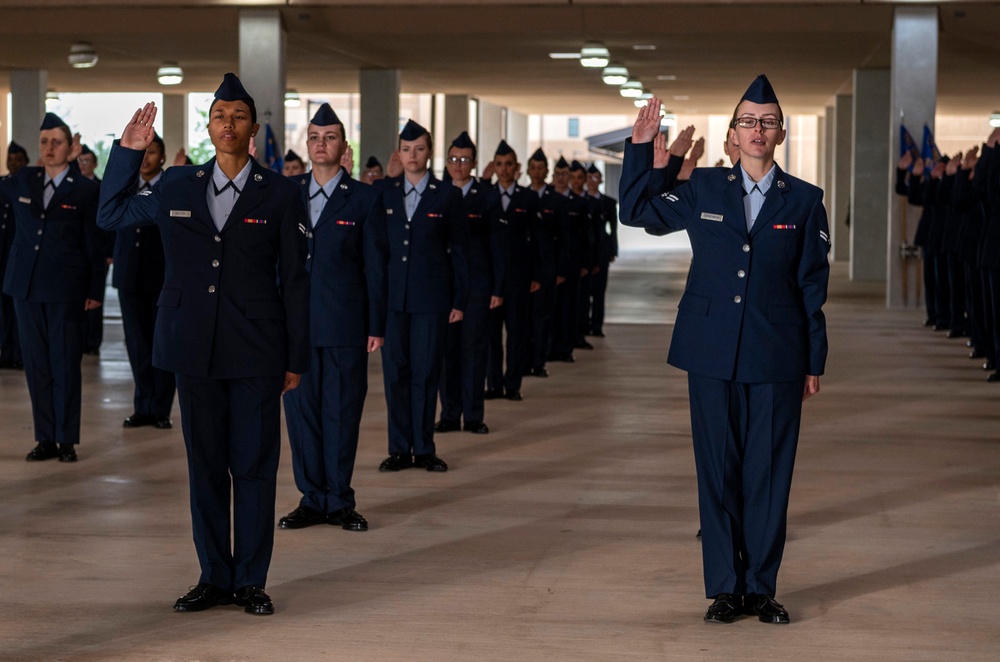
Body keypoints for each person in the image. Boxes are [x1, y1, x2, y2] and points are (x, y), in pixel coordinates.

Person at [619, 75, 830, 625]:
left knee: (769, 471)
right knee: (718, 470)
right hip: (710, 349)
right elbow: (636, 212)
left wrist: (814, 359)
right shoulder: (704, 188)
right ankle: (724, 588)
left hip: (777, 353)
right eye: (747, 121)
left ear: (780, 133)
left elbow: (812, 286)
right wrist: (643, 151)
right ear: (732, 133)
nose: (756, 130)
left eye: (767, 121)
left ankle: (761, 587)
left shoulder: (806, 201)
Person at [98, 73, 310, 616]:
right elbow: (111, 214)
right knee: (207, 467)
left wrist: (295, 357)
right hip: (192, 346)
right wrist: (126, 153)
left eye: (238, 116)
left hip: (258, 350)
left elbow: (295, 280)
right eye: (219, 116)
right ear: (209, 126)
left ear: (253, 128)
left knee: (255, 466)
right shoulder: (175, 185)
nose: (228, 124)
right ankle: (215, 576)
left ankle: (251, 581)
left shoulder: (282, 193)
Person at [279, 103, 388, 532]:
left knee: (341, 412)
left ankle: (339, 499)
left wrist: (377, 325)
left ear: (344, 146)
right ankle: (311, 498)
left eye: (329, 137)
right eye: (313, 137)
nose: (320, 144)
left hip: (345, 325)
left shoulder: (364, 198)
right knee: (301, 414)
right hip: (295, 328)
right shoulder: (287, 193)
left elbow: (377, 267)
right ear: (307, 145)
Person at [1, 113, 105, 463]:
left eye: (56, 142)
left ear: (70, 146)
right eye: (44, 142)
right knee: (36, 365)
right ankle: (44, 437)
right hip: (25, 287)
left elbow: (94, 245)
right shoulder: (24, 180)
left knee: (64, 365)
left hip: (66, 289)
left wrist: (95, 289)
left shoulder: (86, 189)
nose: (48, 148)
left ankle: (66, 439)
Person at [374, 119, 469, 472]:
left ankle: (424, 447)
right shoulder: (383, 191)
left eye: (420, 149)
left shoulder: (448, 195)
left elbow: (460, 251)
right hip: (393, 301)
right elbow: (377, 252)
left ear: (430, 153)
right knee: (396, 373)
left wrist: (459, 300)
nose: (412, 155)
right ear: (398, 153)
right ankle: (400, 448)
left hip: (432, 301)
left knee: (426, 372)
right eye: (406, 149)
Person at [435, 131, 505, 435]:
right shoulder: (435, 193)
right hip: (442, 286)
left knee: (474, 351)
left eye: (464, 160)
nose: (458, 165)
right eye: (453, 159)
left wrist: (498, 288)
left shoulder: (487, 196)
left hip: (477, 286)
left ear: (474, 163)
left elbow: (498, 245)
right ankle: (450, 413)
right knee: (446, 352)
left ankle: (474, 415)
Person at [113, 132, 175, 429]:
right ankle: (143, 406)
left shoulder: (171, 187)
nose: (147, 157)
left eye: (153, 152)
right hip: (129, 277)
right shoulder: (125, 187)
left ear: (162, 158)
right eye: (144, 152)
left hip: (162, 278)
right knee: (137, 345)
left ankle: (161, 408)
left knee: (161, 344)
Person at [486, 140, 540, 400]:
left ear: (517, 167)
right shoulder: (486, 196)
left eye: (508, 164)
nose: (504, 169)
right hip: (492, 280)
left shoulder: (527, 197)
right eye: (499, 164)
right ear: (494, 167)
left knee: (517, 334)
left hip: (519, 278)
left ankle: (512, 385)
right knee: (492, 335)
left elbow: (538, 239)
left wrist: (537, 276)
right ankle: (494, 384)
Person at [525, 148, 564, 378]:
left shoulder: (555, 200)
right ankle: (523, 361)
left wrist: (560, 269)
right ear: (528, 170)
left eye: (541, 168)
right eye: (533, 167)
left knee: (542, 317)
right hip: (524, 267)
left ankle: (539, 361)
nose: (537, 172)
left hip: (548, 267)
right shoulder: (520, 196)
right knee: (523, 319)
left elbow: (563, 238)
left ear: (546, 171)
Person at [76, 145, 115, 355]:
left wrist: (110, 252)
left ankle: (93, 342)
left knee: (96, 294)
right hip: (79, 250)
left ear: (94, 163)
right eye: (80, 161)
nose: (83, 165)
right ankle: (80, 339)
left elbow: (111, 222)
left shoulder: (102, 187)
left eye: (87, 161)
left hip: (99, 250)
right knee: (79, 295)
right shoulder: (73, 186)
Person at [0, 141, 29, 369]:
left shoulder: (29, 186)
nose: (14, 163)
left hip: (19, 258)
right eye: (11, 159)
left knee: (19, 311)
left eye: (18, 159)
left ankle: (18, 353)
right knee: (2, 311)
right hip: (1, 257)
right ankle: (5, 352)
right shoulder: (2, 185)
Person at [584, 165, 617, 338]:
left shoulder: (609, 203)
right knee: (583, 291)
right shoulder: (579, 200)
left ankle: (597, 325)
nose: (592, 182)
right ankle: (583, 324)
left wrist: (613, 250)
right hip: (583, 251)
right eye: (589, 178)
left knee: (598, 290)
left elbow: (613, 229)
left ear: (601, 180)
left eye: (596, 178)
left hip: (602, 250)